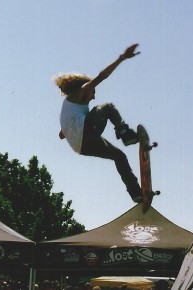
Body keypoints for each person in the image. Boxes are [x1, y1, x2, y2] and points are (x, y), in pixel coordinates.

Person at [55, 44, 142, 202]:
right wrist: (121, 58)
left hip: (81, 147)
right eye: (93, 93)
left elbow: (61, 135)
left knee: (119, 156)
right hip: (86, 134)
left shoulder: (67, 109)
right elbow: (102, 76)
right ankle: (124, 133)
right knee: (108, 106)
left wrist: (70, 130)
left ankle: (136, 193)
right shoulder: (80, 92)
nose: (93, 97)